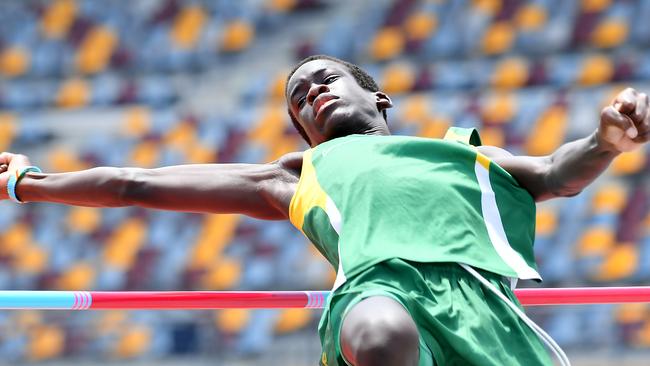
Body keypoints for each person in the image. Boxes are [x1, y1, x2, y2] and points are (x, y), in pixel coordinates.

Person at [1, 54, 649, 366]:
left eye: (324, 80)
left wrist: (606, 142)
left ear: (379, 97)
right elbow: (131, 183)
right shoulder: (297, 173)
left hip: (488, 312)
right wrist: (30, 182)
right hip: (379, 294)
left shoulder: (463, 152)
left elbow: (559, 176)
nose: (312, 92)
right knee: (378, 335)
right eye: (299, 98)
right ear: (304, 132)